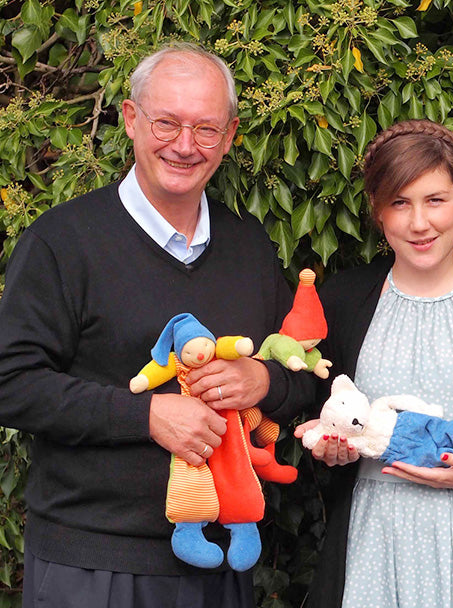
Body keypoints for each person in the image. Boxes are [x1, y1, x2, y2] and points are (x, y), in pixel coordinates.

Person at [0, 43, 313, 606]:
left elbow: (306, 368)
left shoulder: (250, 248)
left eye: (206, 129)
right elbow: (11, 383)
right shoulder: (61, 241)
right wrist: (145, 415)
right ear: (129, 118)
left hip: (221, 566)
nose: (185, 146)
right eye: (166, 123)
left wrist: (267, 382)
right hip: (93, 565)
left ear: (231, 135)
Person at [297, 119, 453, 608]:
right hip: (369, 546)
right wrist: (330, 451)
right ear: (377, 210)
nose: (419, 223)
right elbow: (319, 417)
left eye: (435, 200)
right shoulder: (344, 299)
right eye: (399, 202)